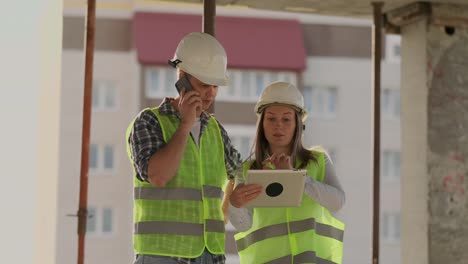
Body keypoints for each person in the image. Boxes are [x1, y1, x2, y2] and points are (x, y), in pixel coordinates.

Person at [126, 32, 242, 264]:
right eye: (203, 85)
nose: (210, 93)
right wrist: (185, 124)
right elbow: (159, 176)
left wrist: (229, 207)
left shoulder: (215, 131)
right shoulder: (149, 122)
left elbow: (242, 173)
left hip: (211, 255)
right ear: (182, 79)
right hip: (162, 255)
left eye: (215, 86)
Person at [228, 81, 346, 264]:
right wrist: (234, 204)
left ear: (297, 123)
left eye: (286, 119)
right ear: (262, 123)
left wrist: (297, 178)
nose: (278, 126)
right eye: (271, 118)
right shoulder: (247, 170)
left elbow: (337, 202)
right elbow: (243, 224)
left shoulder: (318, 161)